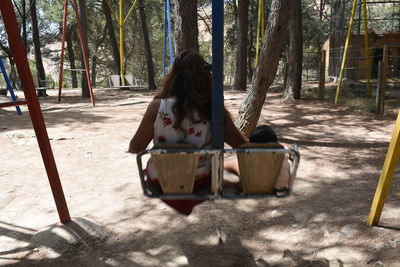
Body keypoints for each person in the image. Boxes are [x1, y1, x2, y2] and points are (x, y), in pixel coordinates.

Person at [129, 50, 247, 215]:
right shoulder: (213, 110)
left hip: (161, 181)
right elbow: (242, 145)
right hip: (200, 182)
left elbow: (135, 147)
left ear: (173, 77)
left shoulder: (157, 107)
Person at [223, 125, 293, 193]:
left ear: (251, 145)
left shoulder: (249, 154)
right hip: (279, 187)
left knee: (236, 163)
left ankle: (219, 166)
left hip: (251, 186)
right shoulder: (282, 151)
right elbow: (288, 147)